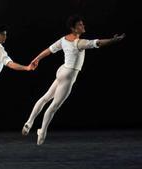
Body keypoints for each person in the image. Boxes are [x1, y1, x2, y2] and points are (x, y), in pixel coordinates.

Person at [22, 15, 125, 145]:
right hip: (68, 75)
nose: (83, 26)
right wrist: (113, 40)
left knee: (45, 98)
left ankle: (29, 122)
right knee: (53, 106)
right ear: (74, 28)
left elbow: (49, 50)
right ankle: (42, 132)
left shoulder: (63, 40)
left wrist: (36, 59)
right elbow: (98, 42)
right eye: (80, 25)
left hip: (61, 71)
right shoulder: (79, 43)